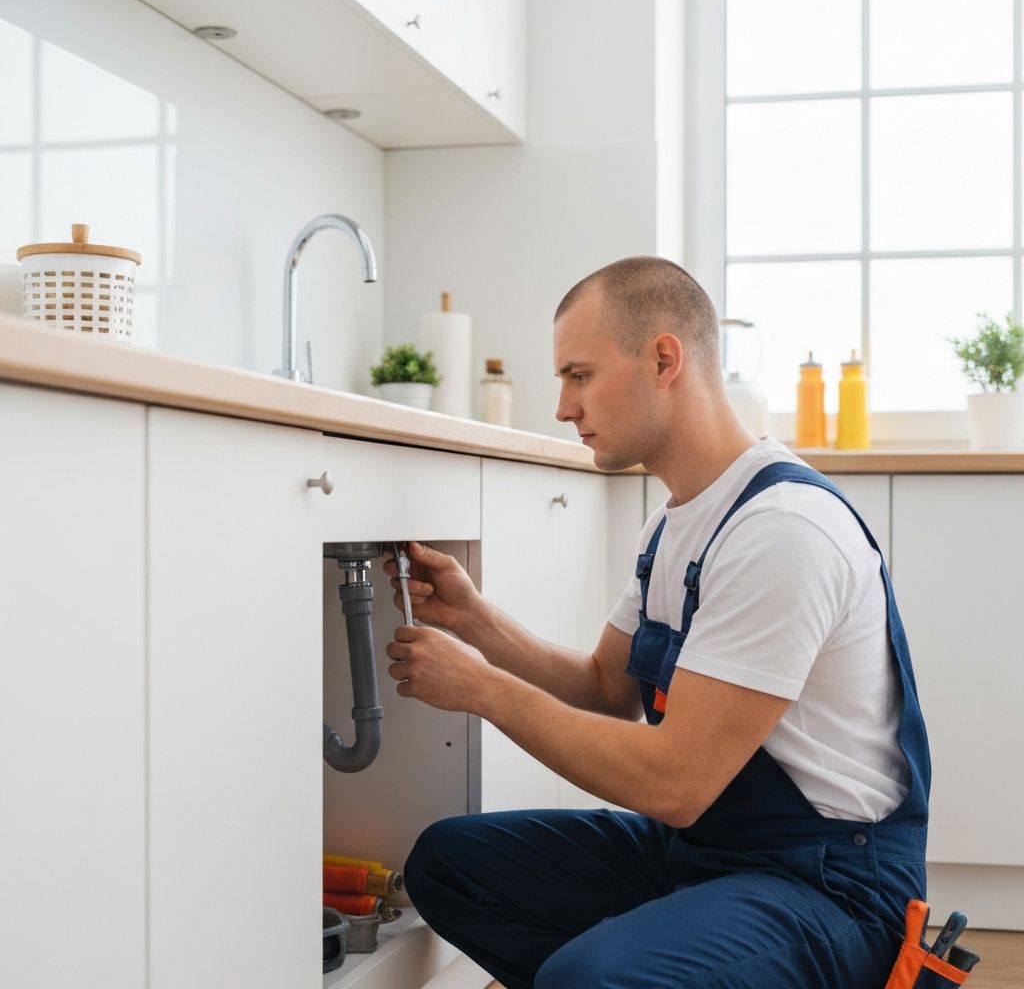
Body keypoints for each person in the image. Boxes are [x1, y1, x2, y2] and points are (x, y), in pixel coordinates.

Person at [381, 256, 930, 989]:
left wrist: (484, 691)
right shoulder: (674, 526)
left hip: (828, 886)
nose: (563, 406)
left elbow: (677, 783)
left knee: (590, 976)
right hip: (704, 852)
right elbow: (609, 686)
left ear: (664, 358)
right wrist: (476, 621)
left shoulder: (782, 531)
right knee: (447, 867)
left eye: (579, 375)